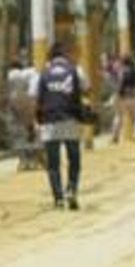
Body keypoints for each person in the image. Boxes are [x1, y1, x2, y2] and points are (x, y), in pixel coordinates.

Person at [36, 43, 88, 210]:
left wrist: (38, 120)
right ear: (64, 55)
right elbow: (87, 88)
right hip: (71, 120)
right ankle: (71, 190)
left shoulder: (43, 73)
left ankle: (58, 198)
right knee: (74, 159)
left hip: (49, 122)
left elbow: (37, 99)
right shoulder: (75, 70)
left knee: (53, 164)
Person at [112, 54, 135, 144]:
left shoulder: (122, 72)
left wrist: (117, 94)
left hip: (123, 97)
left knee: (118, 116)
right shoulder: (134, 71)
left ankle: (115, 136)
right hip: (133, 96)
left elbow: (120, 84)